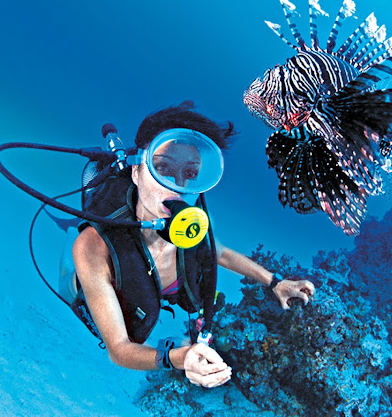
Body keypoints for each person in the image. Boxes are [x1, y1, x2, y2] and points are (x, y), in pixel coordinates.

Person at [71, 101, 315, 388]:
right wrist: (179, 357)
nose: (176, 187)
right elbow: (119, 348)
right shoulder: (93, 246)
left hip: (152, 289)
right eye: (162, 168)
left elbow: (220, 253)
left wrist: (276, 283)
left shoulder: (191, 227)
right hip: (112, 286)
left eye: (190, 174)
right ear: (136, 172)